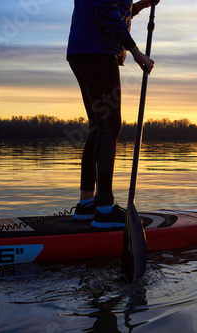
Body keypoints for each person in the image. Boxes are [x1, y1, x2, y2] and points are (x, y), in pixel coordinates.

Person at [67, 0, 158, 228]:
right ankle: (105, 210)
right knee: (109, 126)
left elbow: (115, 11)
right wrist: (137, 52)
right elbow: (107, 13)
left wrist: (141, 5)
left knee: (98, 128)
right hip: (98, 50)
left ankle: (86, 205)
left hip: (84, 50)